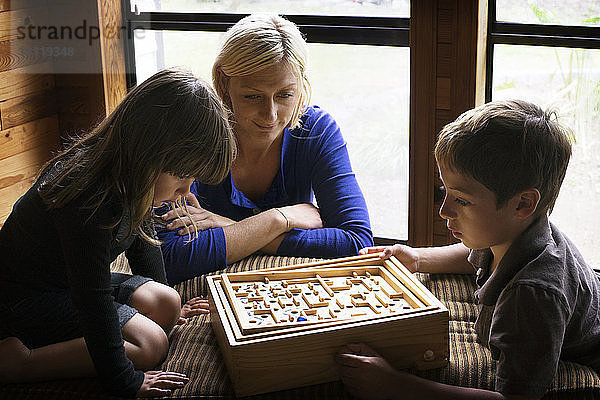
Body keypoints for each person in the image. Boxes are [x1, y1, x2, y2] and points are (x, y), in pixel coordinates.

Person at [336, 100, 600, 400]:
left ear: (523, 204)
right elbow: (473, 253)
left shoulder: (531, 297)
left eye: (461, 200)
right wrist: (417, 257)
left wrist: (393, 385)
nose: (444, 210)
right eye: (443, 191)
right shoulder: (515, 233)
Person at [0, 69, 235, 398]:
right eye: (183, 175)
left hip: (67, 280)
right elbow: (91, 300)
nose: (187, 189)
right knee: (151, 344)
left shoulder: (132, 178)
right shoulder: (86, 197)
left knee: (167, 301)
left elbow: (143, 240)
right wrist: (127, 382)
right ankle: (22, 362)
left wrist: (166, 299)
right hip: (26, 299)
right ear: (150, 153)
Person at [157, 14, 374, 285]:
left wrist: (231, 227)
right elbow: (171, 257)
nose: (270, 115)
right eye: (253, 96)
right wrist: (278, 219)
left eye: (285, 95)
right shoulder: (195, 131)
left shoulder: (316, 130)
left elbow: (356, 241)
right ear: (224, 83)